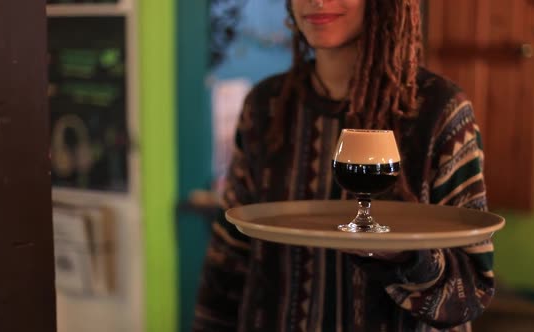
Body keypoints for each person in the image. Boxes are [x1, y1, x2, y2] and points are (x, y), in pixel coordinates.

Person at [193, 0, 494, 331]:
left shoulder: (439, 110)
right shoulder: (267, 105)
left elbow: (472, 291)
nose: (318, 1)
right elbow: (229, 255)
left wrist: (406, 257)